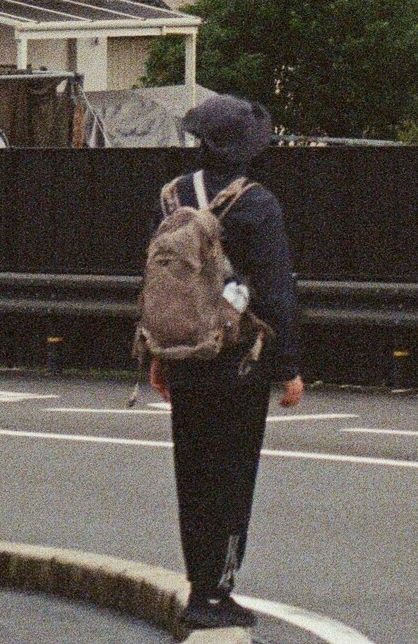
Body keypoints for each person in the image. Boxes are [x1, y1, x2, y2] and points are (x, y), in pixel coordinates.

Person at [150, 94, 303, 635]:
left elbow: (161, 283)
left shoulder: (173, 198)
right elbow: (276, 293)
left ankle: (197, 587)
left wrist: (158, 354)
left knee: (192, 472)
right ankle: (219, 592)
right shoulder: (257, 204)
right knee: (233, 476)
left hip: (187, 357)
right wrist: (287, 368)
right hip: (240, 360)